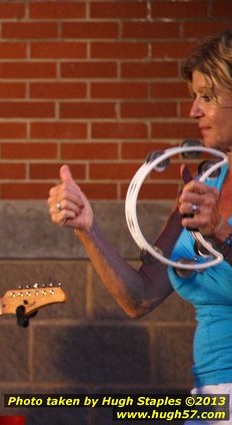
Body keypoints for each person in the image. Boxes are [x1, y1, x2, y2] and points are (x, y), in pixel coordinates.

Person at [47, 29, 232, 425]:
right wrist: (87, 229)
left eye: (207, 97)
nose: (193, 111)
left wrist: (222, 232)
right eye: (193, 96)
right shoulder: (207, 180)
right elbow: (140, 297)